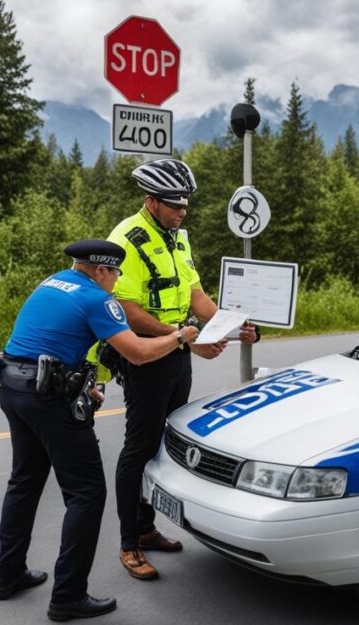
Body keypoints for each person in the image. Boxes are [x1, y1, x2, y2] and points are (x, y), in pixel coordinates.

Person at [0, 240, 199, 622]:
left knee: (25, 480)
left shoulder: (52, 282)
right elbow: (136, 351)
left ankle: (8, 575)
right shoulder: (98, 300)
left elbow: (52, 340)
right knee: (87, 492)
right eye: (116, 273)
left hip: (13, 388)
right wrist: (179, 336)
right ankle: (68, 595)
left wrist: (81, 383)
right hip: (48, 401)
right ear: (101, 270)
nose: (117, 281)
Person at [108, 159, 258, 580]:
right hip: (149, 353)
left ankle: (147, 526)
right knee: (138, 446)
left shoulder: (177, 238)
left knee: (163, 441)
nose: (183, 211)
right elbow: (128, 309)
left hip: (177, 350)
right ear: (151, 201)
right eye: (175, 205)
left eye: (186, 205)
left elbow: (195, 294)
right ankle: (128, 543)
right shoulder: (127, 239)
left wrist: (229, 323)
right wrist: (182, 336)